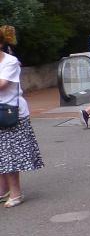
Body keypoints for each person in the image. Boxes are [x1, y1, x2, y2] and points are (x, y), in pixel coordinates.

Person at [0, 26, 44, 207]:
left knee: (10, 155)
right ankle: (3, 191)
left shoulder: (9, 62)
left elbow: (2, 84)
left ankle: (16, 194)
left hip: (10, 113)